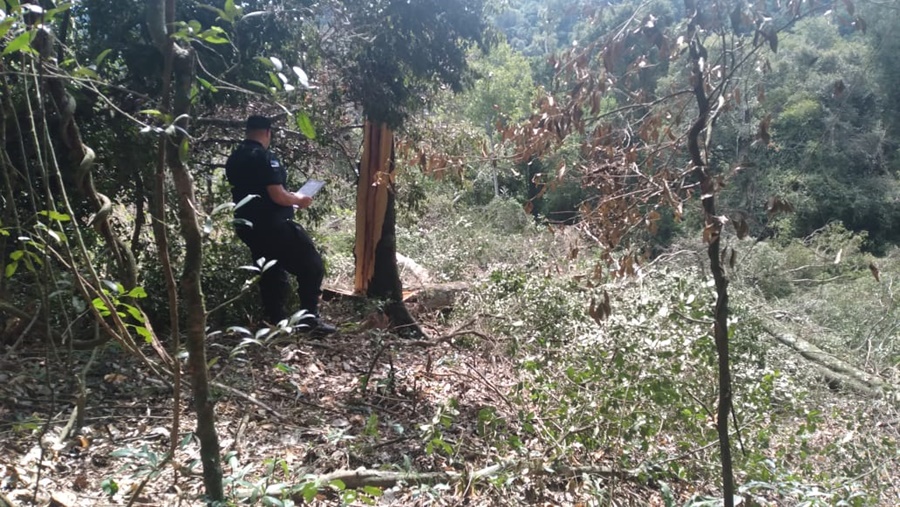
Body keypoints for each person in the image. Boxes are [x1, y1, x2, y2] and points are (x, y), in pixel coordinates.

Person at [225, 115, 336, 334]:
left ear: (248, 131)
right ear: (267, 132)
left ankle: (275, 322)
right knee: (312, 266)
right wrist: (299, 199)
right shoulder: (265, 157)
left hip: (247, 226)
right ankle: (309, 321)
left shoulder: (235, 158)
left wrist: (288, 196)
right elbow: (276, 195)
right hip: (273, 225)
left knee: (271, 271)